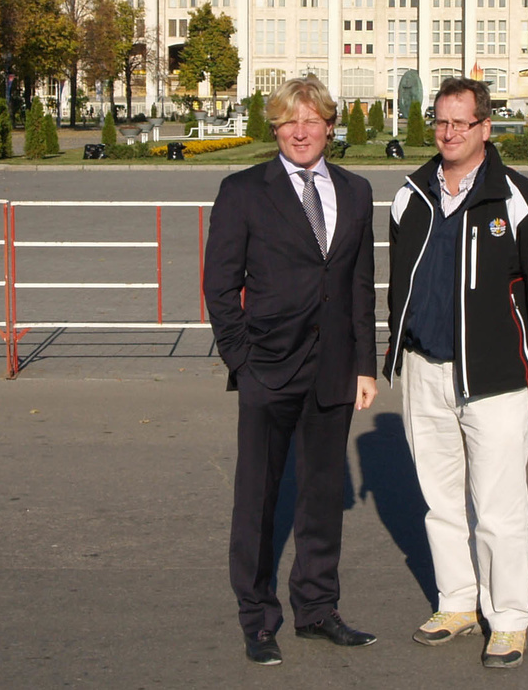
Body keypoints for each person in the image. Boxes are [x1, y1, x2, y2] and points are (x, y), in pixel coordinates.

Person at [384, 77, 528, 670]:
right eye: (440, 122)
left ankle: (509, 619)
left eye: (461, 123)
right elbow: (399, 291)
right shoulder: (409, 195)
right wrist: (390, 354)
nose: (448, 133)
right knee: (439, 503)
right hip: (424, 369)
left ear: (486, 129)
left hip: (495, 379)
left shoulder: (519, 201)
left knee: (497, 508)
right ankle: (458, 603)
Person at [203, 75, 379, 665]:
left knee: (323, 496)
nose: (300, 132)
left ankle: (317, 608)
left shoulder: (355, 192)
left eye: (312, 120)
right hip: (268, 369)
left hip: (333, 370)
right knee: (257, 498)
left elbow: (358, 285)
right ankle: (257, 618)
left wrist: (364, 364)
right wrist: (242, 361)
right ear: (274, 128)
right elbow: (220, 286)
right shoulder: (243, 191)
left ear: (330, 126)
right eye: (288, 121)